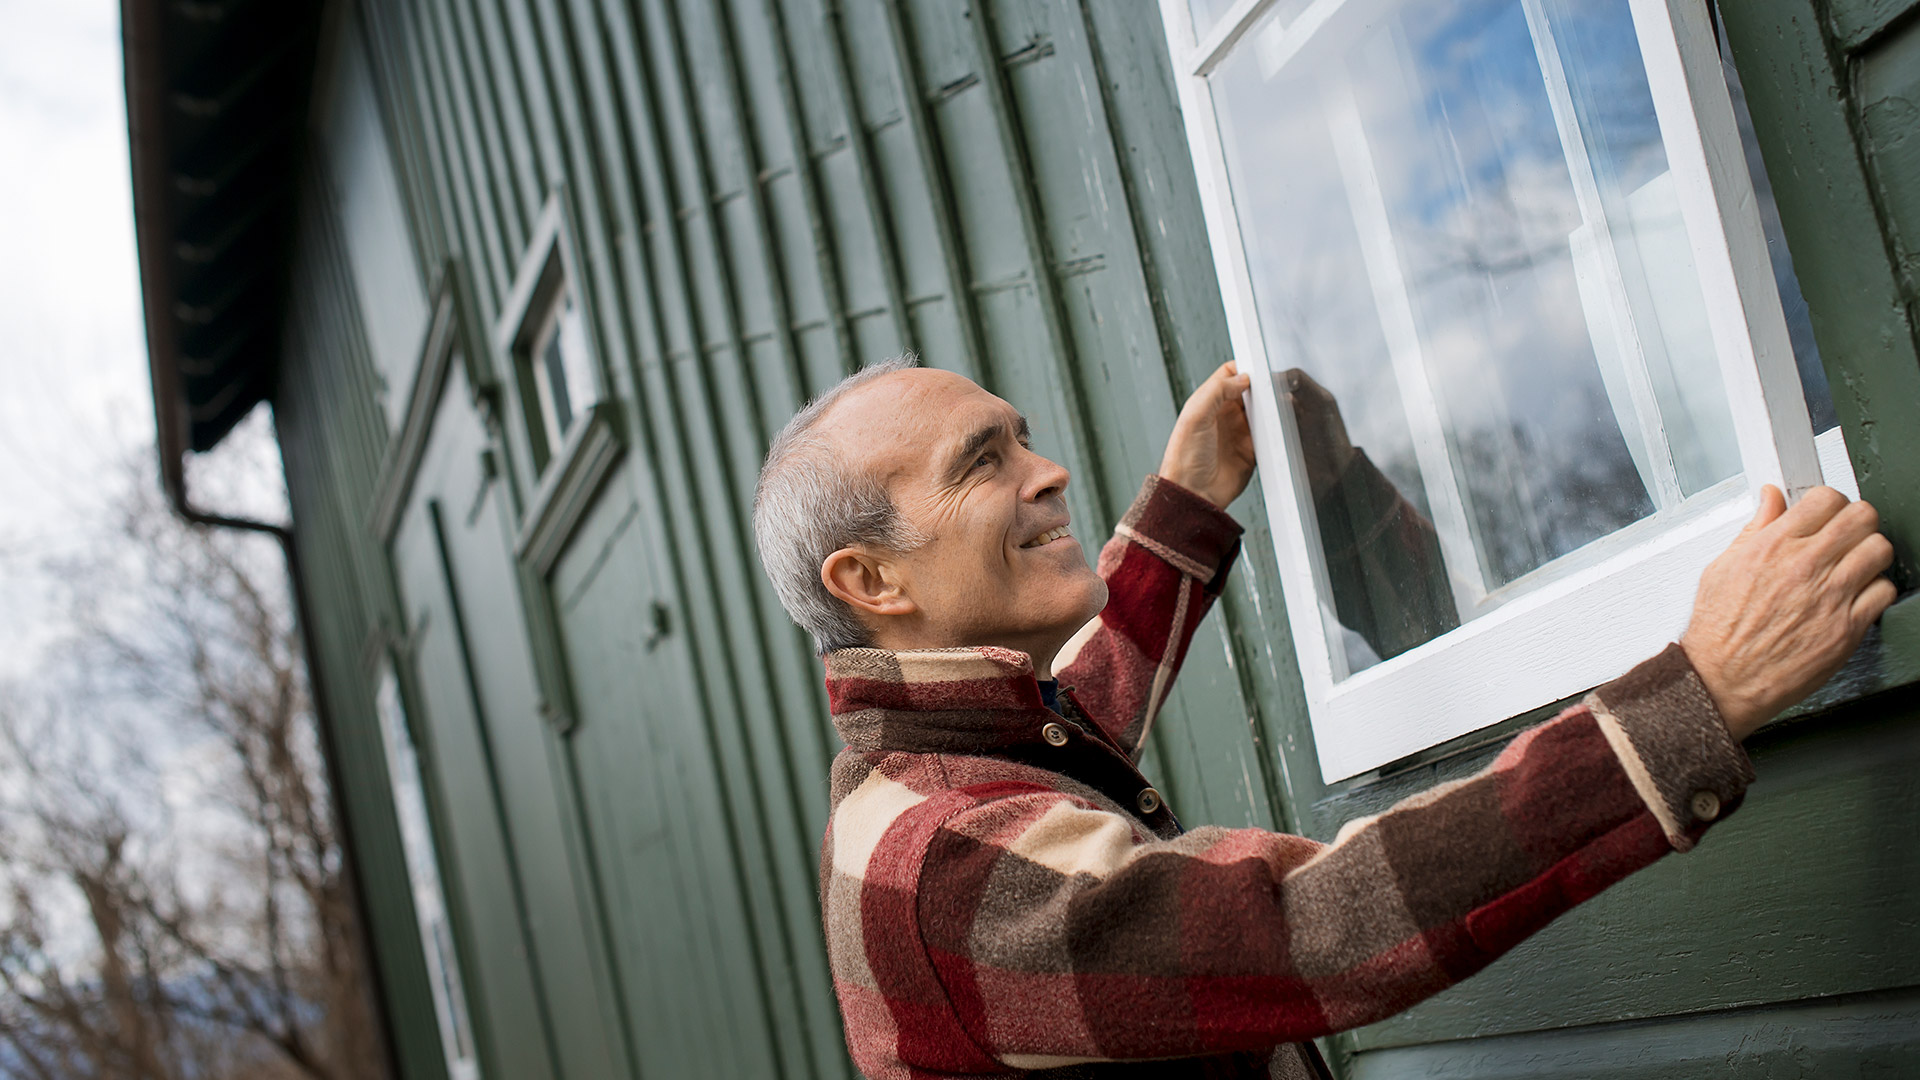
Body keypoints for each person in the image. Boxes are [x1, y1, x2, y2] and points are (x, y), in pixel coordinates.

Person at [750, 355, 1897, 1080]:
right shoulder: (946, 863)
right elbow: (1321, 927)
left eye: (1024, 434)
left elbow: (1080, 708)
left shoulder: (938, 764)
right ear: (872, 583)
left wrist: (1190, 505)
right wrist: (1696, 696)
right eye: (984, 461)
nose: (1049, 471)